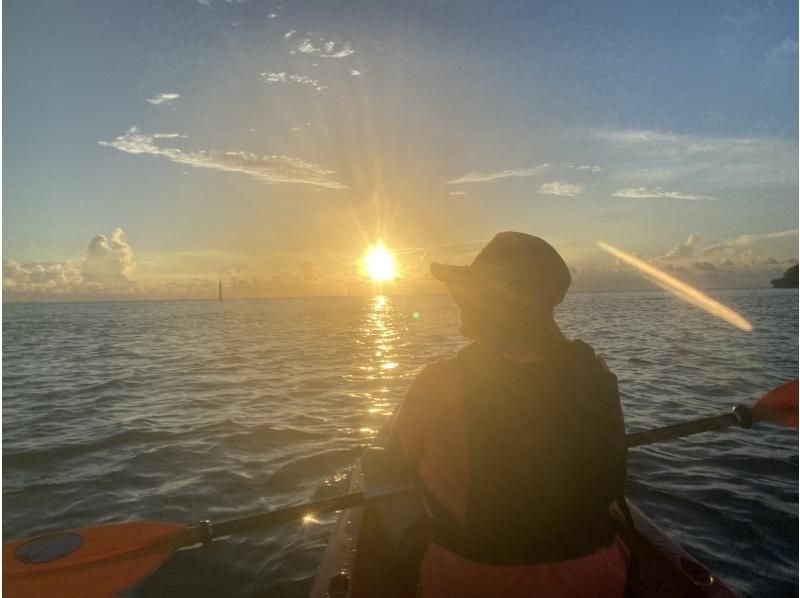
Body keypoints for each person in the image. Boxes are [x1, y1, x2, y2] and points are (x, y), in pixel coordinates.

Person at [385, 231, 630, 598]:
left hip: (474, 582)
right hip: (597, 578)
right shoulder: (596, 369)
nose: (460, 303)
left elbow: (393, 461)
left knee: (381, 477)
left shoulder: (439, 380)